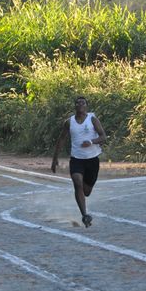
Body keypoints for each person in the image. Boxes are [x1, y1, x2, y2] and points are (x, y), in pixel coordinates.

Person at [50, 96, 106, 228]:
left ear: (86, 106)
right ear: (74, 106)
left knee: (86, 191)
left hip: (92, 160)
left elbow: (103, 136)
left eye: (83, 103)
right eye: (78, 103)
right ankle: (84, 215)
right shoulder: (69, 122)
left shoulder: (92, 119)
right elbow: (62, 139)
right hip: (76, 159)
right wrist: (55, 159)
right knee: (77, 183)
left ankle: (84, 205)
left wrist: (91, 142)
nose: (80, 105)